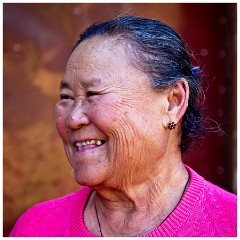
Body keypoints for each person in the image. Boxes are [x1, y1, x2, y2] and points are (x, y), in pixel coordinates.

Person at [10, 15, 236, 237]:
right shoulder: (35, 227)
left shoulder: (230, 226)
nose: (73, 119)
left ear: (172, 102)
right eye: (66, 97)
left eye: (93, 93)